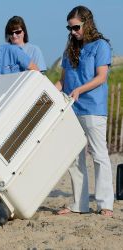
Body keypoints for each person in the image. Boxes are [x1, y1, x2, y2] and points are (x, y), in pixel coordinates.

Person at [55, 6, 114, 217]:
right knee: (74, 158)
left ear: (87, 23)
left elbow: (101, 77)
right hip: (71, 109)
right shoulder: (69, 49)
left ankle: (105, 203)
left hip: (93, 108)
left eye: (76, 27)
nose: (73, 32)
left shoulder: (101, 46)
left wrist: (79, 89)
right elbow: (63, 81)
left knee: (99, 155)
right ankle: (79, 204)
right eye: (69, 28)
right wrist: (50, 93)